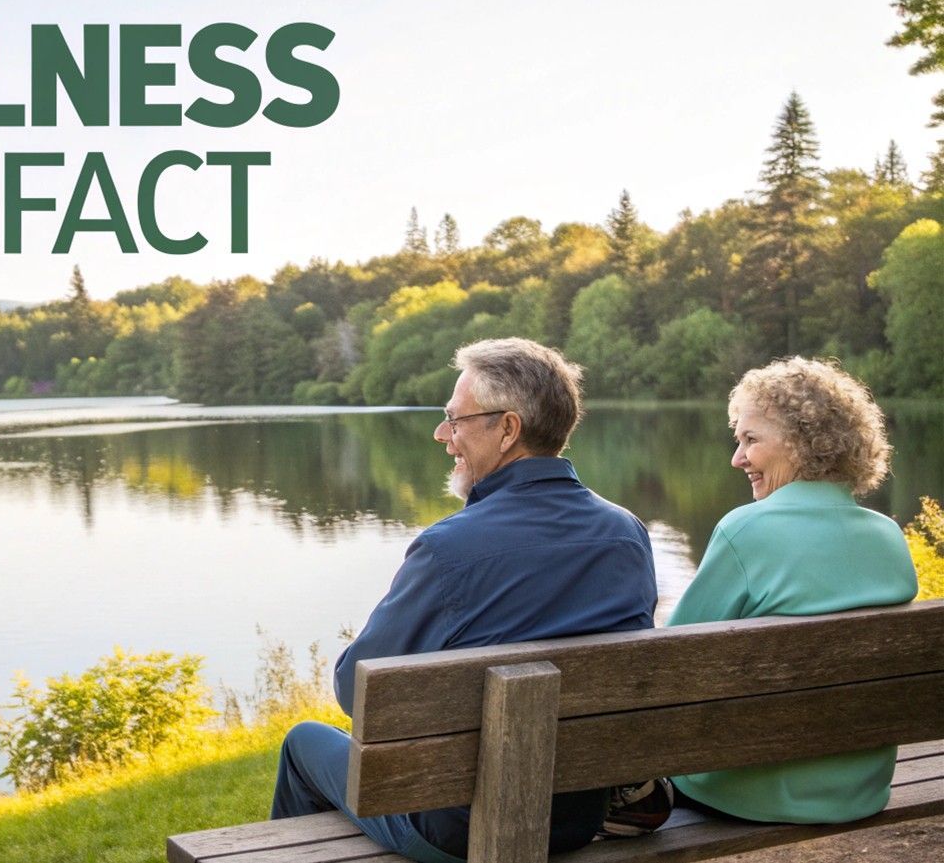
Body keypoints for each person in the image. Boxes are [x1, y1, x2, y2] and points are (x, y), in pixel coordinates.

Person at [270, 338, 658, 863]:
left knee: (303, 742)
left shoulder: (448, 549)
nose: (442, 434)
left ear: (508, 429)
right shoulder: (626, 533)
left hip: (455, 827)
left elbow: (355, 691)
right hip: (573, 819)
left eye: (455, 420)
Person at [668, 357, 918, 823]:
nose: (737, 458)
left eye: (751, 440)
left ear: (804, 443)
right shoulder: (888, 535)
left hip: (757, 790)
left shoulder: (744, 530)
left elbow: (672, 659)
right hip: (861, 786)